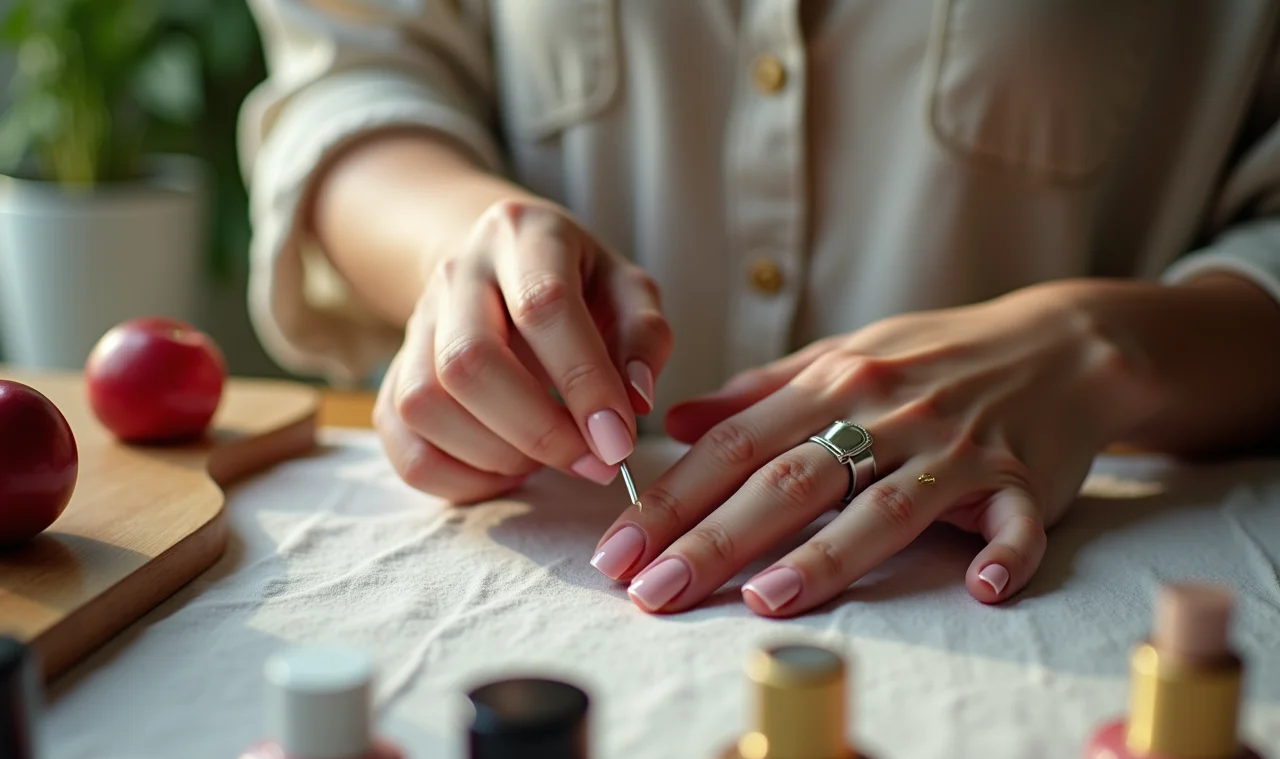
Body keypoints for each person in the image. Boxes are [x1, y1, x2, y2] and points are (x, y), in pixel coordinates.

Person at [239, 1, 1280, 618]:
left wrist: (1097, 349)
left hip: (1105, 570)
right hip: (558, 520)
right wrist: (460, 241)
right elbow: (356, 72)